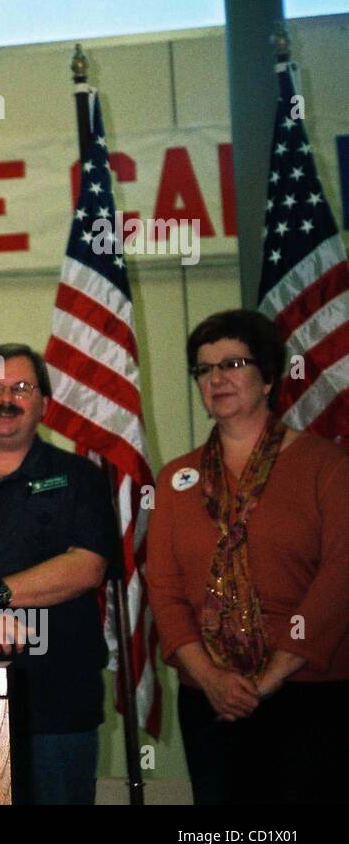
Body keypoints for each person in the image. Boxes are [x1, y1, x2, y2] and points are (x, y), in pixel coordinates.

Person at [146, 309, 349, 805]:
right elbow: (165, 591)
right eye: (204, 369)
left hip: (310, 691)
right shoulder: (176, 479)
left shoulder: (326, 465)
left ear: (268, 378)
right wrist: (211, 679)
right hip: (211, 700)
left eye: (233, 363)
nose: (216, 378)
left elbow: (340, 577)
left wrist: (273, 674)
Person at [0, 343, 119, 805]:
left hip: (56, 699)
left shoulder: (80, 477)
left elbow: (87, 566)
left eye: (21, 388)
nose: (4, 398)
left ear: (45, 404)